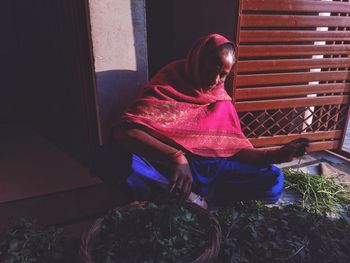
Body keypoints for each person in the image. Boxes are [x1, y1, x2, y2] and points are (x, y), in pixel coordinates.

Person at [108, 34, 309, 208]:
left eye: (223, 75)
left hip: (214, 169)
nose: (214, 81)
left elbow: (237, 151)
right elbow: (125, 132)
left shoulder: (220, 100)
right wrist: (176, 158)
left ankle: (199, 198)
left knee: (274, 178)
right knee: (112, 158)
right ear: (196, 61)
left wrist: (278, 154)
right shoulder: (169, 82)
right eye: (210, 70)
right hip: (172, 169)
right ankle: (187, 196)